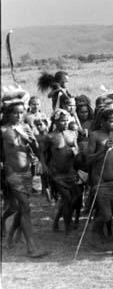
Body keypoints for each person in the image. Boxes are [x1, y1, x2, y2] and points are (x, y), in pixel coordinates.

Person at [0, 90, 48, 257]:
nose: (19, 116)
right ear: (7, 113)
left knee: (22, 209)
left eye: (21, 113)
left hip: (28, 174)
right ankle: (31, 247)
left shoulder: (26, 127)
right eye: (15, 113)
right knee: (26, 208)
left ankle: (12, 234)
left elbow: (37, 149)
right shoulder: (3, 130)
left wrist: (32, 140)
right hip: (13, 175)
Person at [87, 107, 113, 256]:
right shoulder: (95, 136)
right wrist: (103, 150)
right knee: (107, 216)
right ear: (102, 121)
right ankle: (94, 231)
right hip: (101, 183)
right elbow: (88, 159)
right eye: (111, 121)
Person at [41, 109, 81, 234]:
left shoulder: (72, 133)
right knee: (67, 199)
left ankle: (57, 219)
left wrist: (76, 152)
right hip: (57, 175)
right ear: (55, 121)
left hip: (70, 173)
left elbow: (77, 148)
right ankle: (67, 226)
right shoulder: (50, 137)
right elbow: (42, 152)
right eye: (62, 121)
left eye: (66, 120)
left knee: (77, 197)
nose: (65, 123)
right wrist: (44, 166)